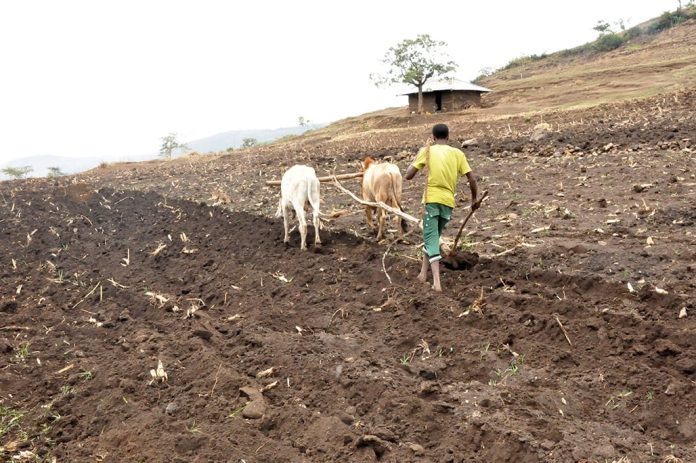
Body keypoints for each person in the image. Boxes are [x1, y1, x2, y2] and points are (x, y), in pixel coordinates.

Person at [405, 123, 478, 292]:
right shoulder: (458, 153)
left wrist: (418, 155)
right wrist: (474, 200)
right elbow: (472, 179)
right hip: (448, 202)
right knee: (432, 236)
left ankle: (437, 283)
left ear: (432, 137)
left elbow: (408, 175)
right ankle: (423, 273)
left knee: (431, 238)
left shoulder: (427, 151)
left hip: (432, 200)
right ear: (448, 137)